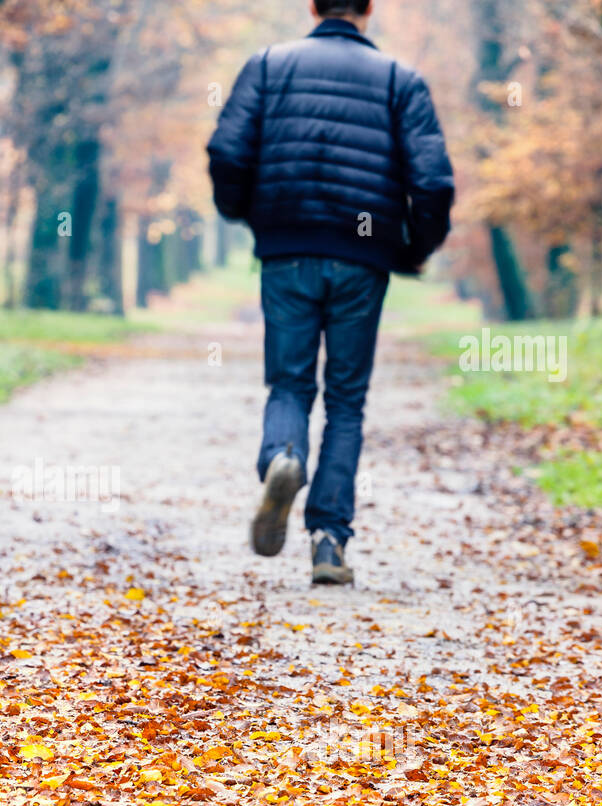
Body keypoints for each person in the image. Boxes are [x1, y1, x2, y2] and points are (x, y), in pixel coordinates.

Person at [207, 0, 454, 585]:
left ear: (313, 6)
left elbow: (227, 152)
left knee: (290, 381)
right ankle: (328, 543)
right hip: (361, 258)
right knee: (346, 398)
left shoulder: (267, 66)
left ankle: (284, 457)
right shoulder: (401, 80)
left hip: (287, 249)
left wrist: (248, 213)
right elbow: (433, 181)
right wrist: (413, 248)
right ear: (368, 9)